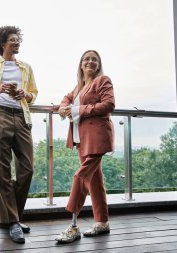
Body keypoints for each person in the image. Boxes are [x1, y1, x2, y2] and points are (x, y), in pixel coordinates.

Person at [0, 26, 38, 244]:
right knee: (2, 171)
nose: (17, 43)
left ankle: (12, 218)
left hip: (21, 116)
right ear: (3, 43)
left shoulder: (26, 67)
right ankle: (13, 222)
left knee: (27, 168)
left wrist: (24, 94)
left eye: (18, 40)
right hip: (0, 115)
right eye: (13, 40)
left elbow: (33, 95)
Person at [55, 50, 115, 243]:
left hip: (97, 137)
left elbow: (109, 104)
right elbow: (67, 98)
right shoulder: (80, 86)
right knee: (95, 181)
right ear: (81, 64)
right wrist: (65, 106)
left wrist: (78, 109)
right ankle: (102, 223)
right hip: (82, 139)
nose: (90, 62)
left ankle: (73, 226)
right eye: (86, 59)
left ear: (98, 65)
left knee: (80, 176)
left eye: (94, 59)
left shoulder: (102, 80)